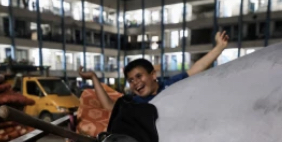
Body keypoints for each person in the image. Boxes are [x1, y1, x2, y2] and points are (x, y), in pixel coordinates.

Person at [80, 30, 230, 111]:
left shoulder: (170, 85)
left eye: (139, 76)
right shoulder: (134, 103)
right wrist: (93, 77)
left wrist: (219, 48)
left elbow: (197, 69)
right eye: (131, 80)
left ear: (153, 75)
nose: (135, 82)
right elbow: (109, 106)